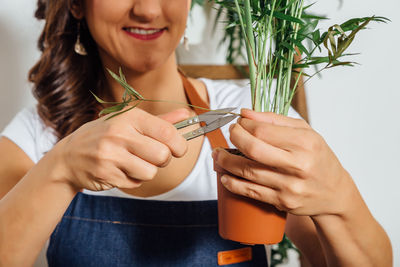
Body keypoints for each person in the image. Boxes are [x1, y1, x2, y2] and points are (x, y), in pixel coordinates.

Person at [0, 0, 392, 266]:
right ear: (76, 4)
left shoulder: (250, 117)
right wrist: (62, 167)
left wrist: (338, 198)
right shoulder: (36, 134)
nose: (148, 8)